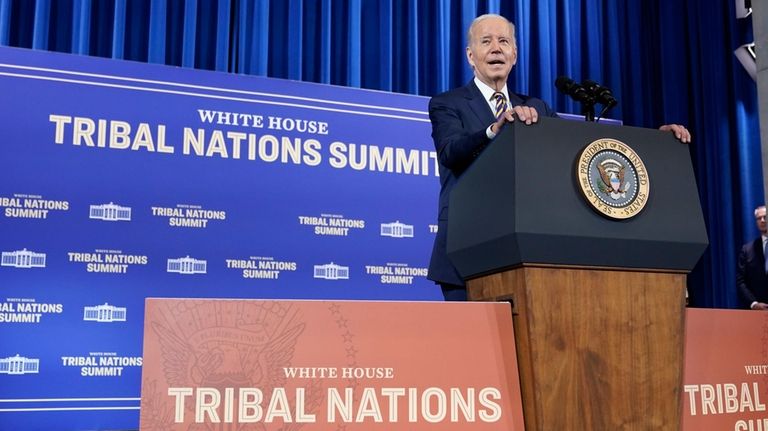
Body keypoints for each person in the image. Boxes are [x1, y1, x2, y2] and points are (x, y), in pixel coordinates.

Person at [427, 14, 692, 301]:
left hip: (527, 253)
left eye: (504, 41)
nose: (496, 48)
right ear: (470, 55)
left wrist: (656, 142)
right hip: (467, 249)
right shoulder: (447, 103)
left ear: (514, 55)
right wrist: (495, 127)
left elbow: (572, 152)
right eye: (486, 41)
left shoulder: (536, 106)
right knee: (474, 345)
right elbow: (451, 151)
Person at [737, 205, 768, 310]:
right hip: (757, 313)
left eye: (765, 217)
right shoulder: (747, 250)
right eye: (759, 218)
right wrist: (754, 303)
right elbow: (741, 281)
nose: (762, 220)